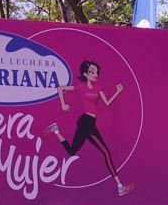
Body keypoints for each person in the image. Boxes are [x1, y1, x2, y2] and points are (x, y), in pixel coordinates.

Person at [48, 60, 133, 196]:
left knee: (72, 151)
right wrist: (63, 105)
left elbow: (107, 102)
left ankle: (56, 130)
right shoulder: (81, 87)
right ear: (85, 74)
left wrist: (118, 92)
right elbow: (60, 88)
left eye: (96, 72)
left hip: (89, 122)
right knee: (106, 152)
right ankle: (119, 186)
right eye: (92, 72)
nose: (95, 74)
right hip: (86, 122)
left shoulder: (97, 87)